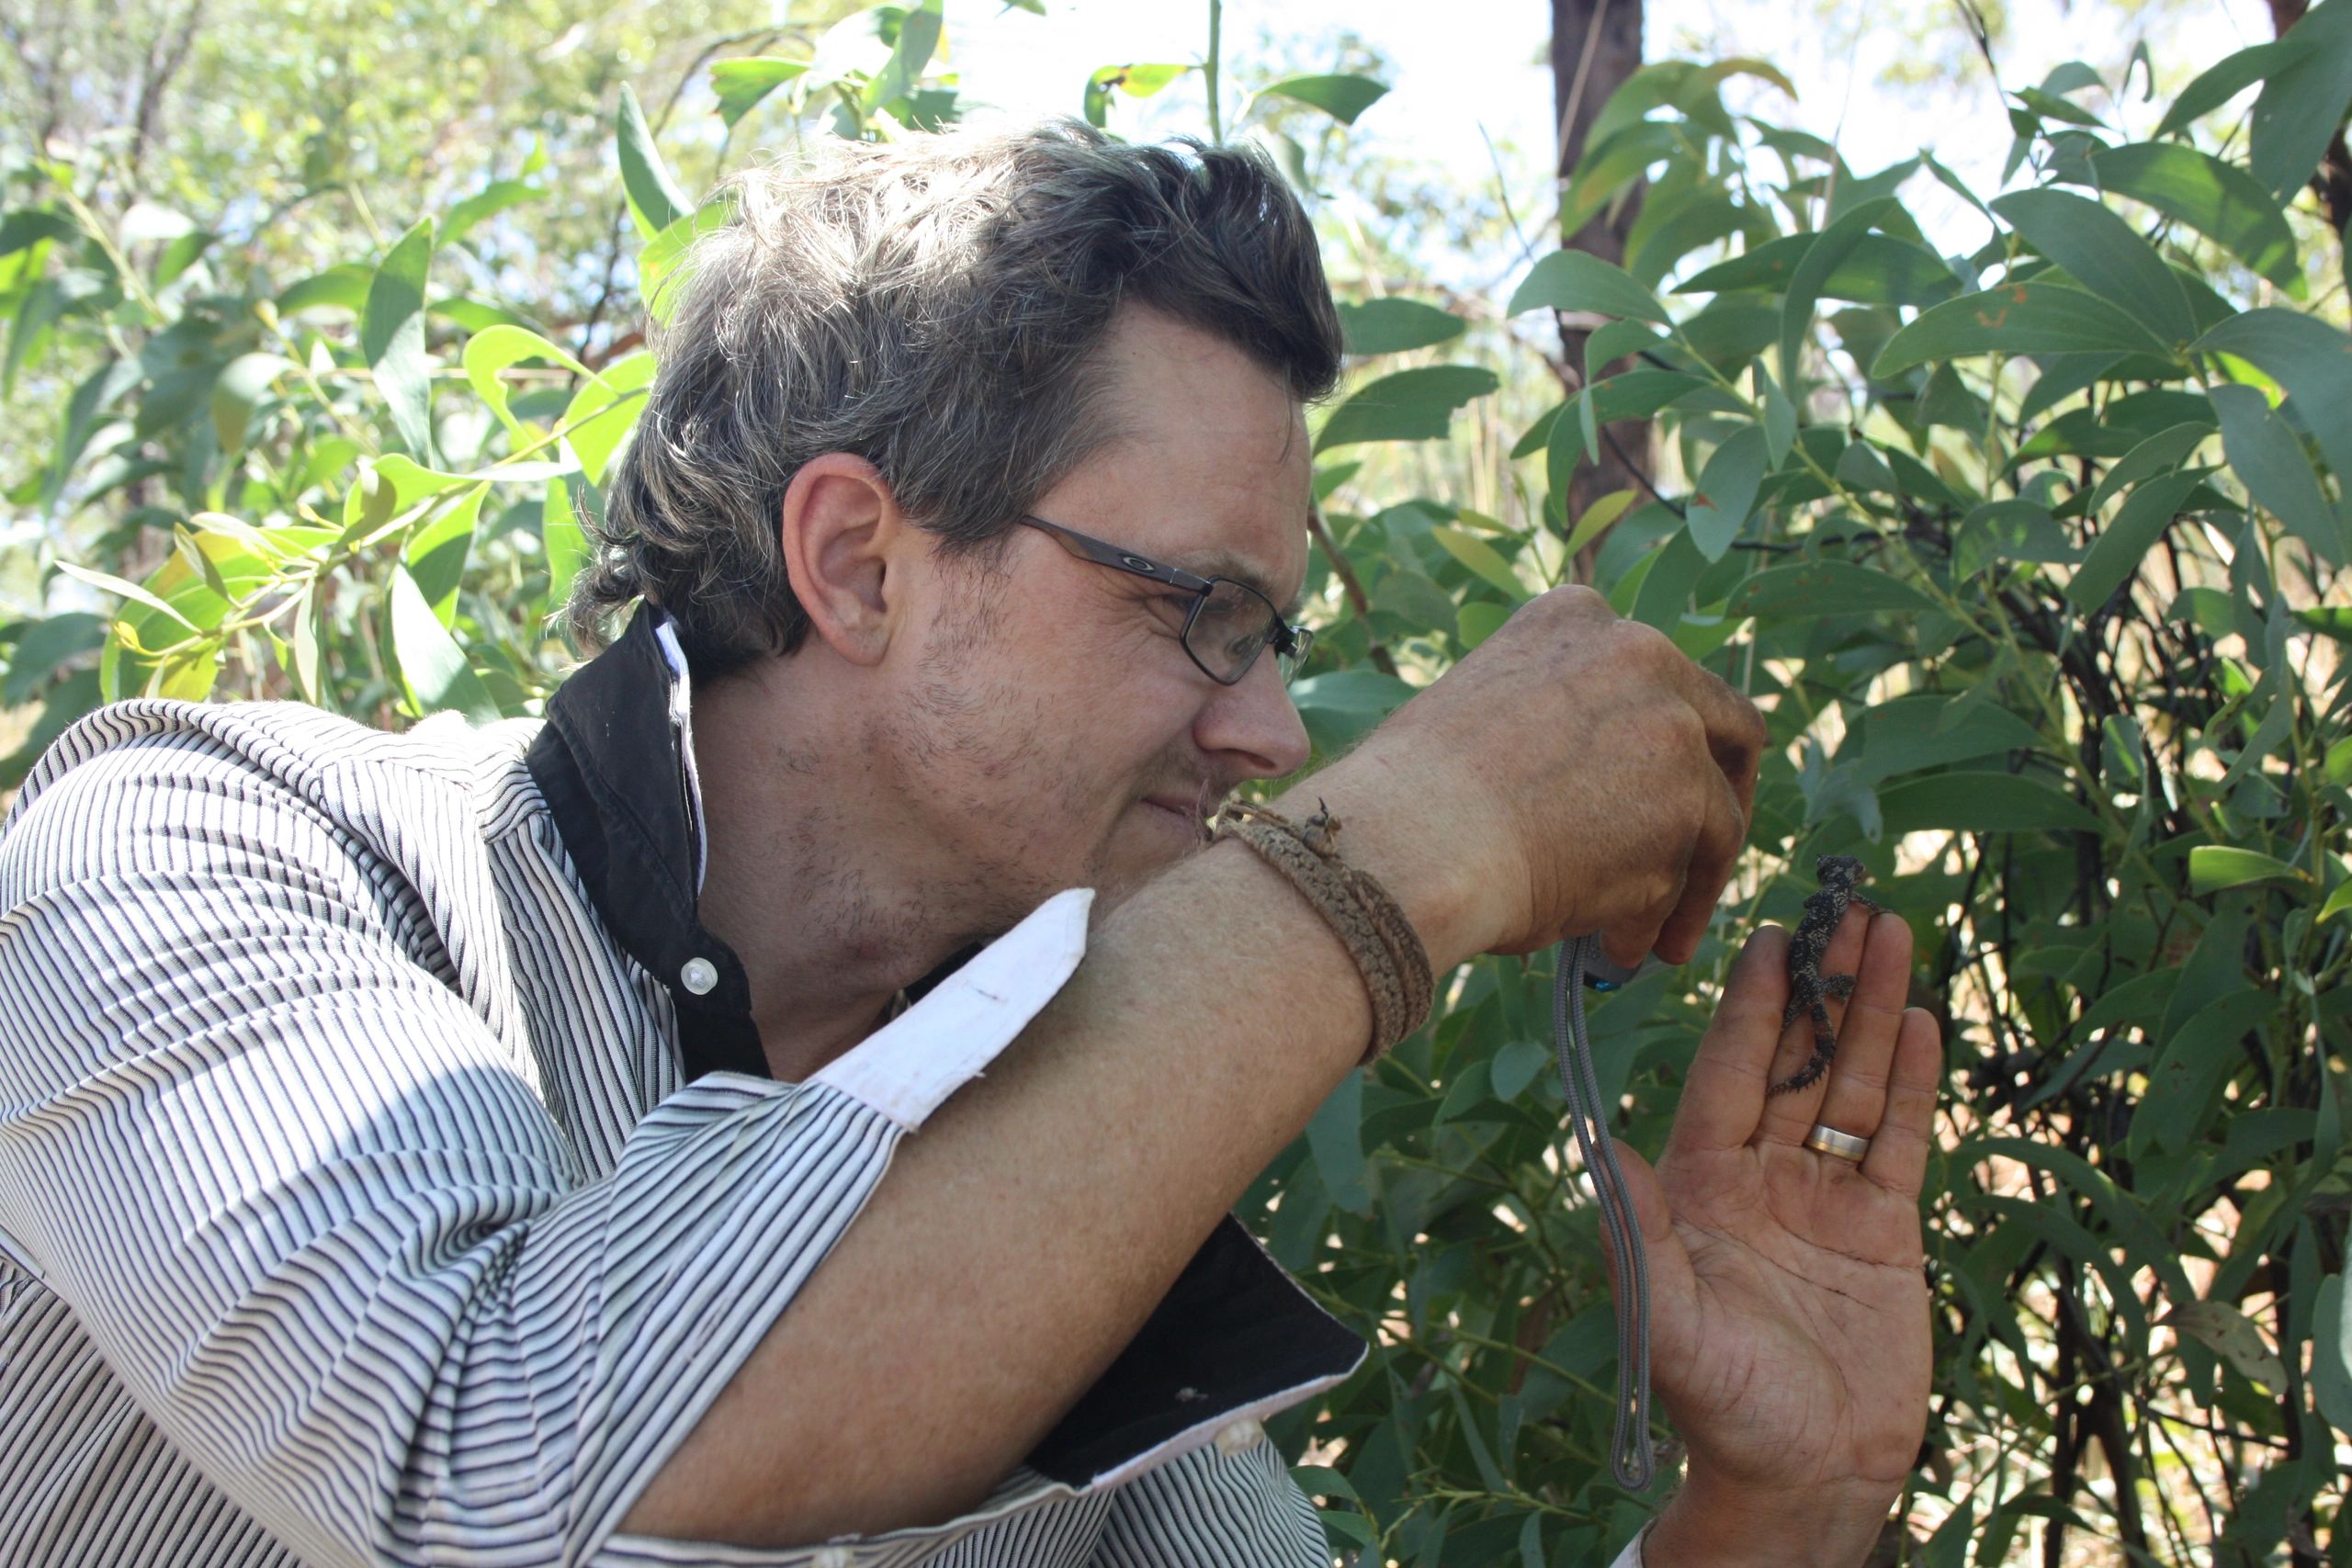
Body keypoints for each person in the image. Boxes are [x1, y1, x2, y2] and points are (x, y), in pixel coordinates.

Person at [0, 121, 1936, 1567]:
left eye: (1273, 633)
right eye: (1198, 608)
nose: (1273, 735)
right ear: (858, 560)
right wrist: (1409, 843)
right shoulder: (214, 848)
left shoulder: (1053, 1153)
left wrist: (1771, 1507)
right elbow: (497, 1473)